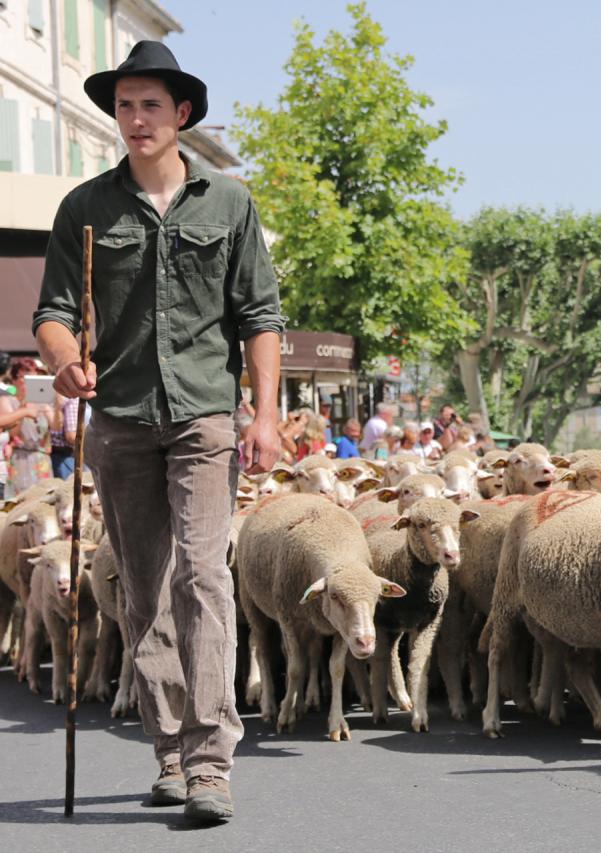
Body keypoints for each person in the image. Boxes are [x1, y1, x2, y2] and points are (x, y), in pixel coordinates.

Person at [33, 41, 284, 824]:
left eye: (149, 105)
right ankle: (169, 749)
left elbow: (260, 316)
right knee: (143, 589)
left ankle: (211, 763)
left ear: (181, 115)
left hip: (207, 415)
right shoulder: (85, 208)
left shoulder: (230, 204)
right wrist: (68, 361)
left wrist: (267, 414)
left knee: (203, 578)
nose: (134, 118)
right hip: (121, 420)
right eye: (124, 105)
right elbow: (53, 314)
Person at [4, 357, 54, 493]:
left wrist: (54, 405)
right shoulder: (8, 400)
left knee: (43, 501)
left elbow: (56, 427)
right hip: (20, 459)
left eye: (32, 377)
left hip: (42, 459)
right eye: (22, 377)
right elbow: (12, 433)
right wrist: (22, 410)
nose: (26, 382)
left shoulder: (44, 402)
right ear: (14, 380)